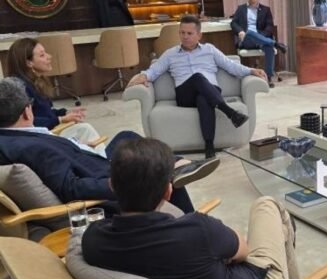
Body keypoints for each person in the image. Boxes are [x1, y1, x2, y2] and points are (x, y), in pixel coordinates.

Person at [82, 136, 300, 279]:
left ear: (111, 185)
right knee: (267, 205)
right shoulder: (197, 230)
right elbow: (244, 251)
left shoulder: (93, 240)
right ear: (168, 191)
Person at [0, 77, 218, 214]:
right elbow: (71, 188)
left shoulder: (11, 139)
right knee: (157, 168)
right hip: (106, 180)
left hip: (90, 162)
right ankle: (191, 219)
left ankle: (177, 164)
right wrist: (121, 184)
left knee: (127, 137)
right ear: (27, 111)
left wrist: (75, 145)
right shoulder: (32, 148)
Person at [128, 15, 268, 159]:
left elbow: (231, 66)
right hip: (185, 95)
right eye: (182, 33)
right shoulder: (170, 54)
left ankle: (209, 147)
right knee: (197, 77)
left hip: (210, 92)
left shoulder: (210, 50)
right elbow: (154, 70)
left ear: (199, 35)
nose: (185, 37)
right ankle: (229, 112)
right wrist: (143, 76)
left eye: (189, 33)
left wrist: (251, 70)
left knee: (203, 99)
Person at [7, 37, 104, 152]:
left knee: (84, 130)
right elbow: (25, 123)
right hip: (38, 138)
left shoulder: (35, 82)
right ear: (29, 62)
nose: (49, 56)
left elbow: (45, 112)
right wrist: (60, 119)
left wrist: (65, 113)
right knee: (85, 130)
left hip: (48, 132)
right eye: (42, 55)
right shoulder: (19, 88)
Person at [231, 0, 288, 88]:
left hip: (261, 39)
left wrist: (260, 36)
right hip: (247, 40)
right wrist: (240, 31)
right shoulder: (241, 9)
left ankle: (268, 77)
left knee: (269, 48)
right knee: (249, 33)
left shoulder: (266, 9)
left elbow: (269, 27)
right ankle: (275, 44)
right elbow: (233, 23)